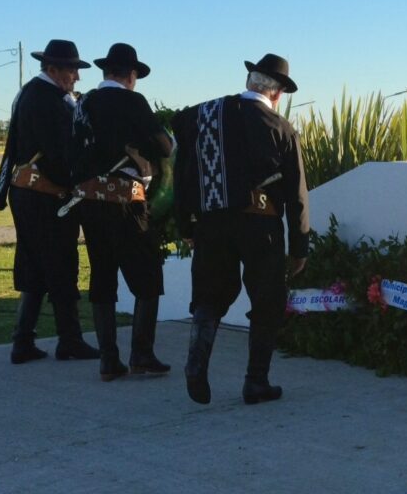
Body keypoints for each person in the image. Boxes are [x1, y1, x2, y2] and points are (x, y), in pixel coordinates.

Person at [172, 53, 309, 405]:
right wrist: (299, 247)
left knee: (209, 296)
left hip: (211, 221)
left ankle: (196, 365)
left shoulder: (200, 116)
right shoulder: (279, 127)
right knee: (267, 299)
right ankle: (256, 382)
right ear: (277, 93)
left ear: (250, 82)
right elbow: (296, 194)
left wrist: (185, 219)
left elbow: (183, 170)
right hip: (259, 223)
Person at [0, 39, 99, 364]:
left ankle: (23, 342)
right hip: (44, 196)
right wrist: (74, 183)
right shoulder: (45, 100)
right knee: (62, 265)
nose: (76, 77)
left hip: (29, 194)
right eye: (71, 71)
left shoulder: (36, 94)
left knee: (35, 265)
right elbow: (58, 152)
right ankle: (69, 340)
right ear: (53, 69)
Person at [71, 43, 174, 381]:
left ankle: (108, 360)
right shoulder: (132, 101)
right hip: (125, 199)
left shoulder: (84, 102)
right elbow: (164, 146)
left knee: (102, 275)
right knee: (147, 278)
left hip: (89, 198)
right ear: (131, 75)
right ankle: (141, 354)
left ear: (105, 72)